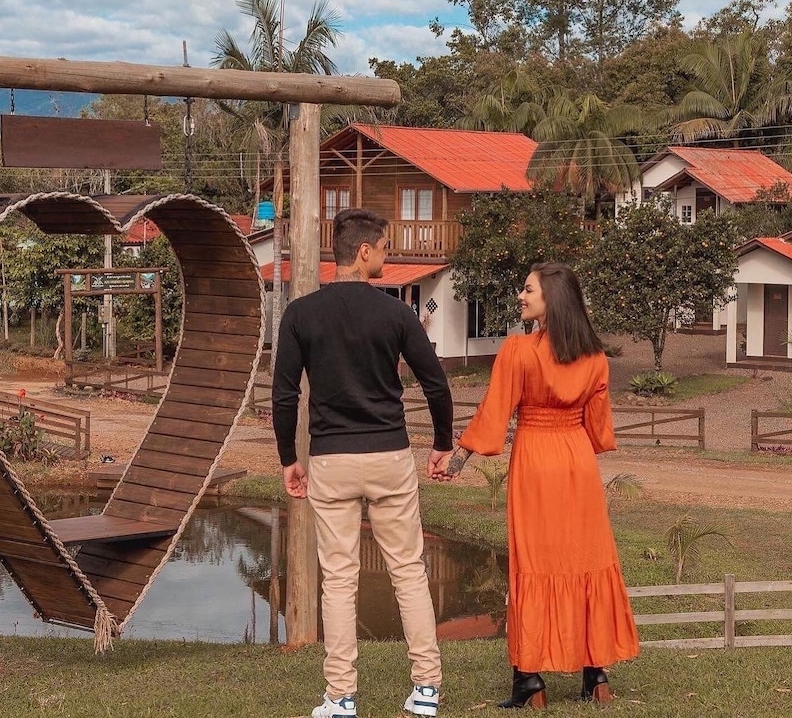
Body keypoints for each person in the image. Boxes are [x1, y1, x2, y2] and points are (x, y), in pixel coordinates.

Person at [272, 208, 454, 718]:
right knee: (409, 573)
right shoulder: (396, 314)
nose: (389, 255)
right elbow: (435, 382)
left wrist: (289, 457)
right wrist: (442, 443)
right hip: (390, 456)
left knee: (340, 579)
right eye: (385, 246)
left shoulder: (300, 315)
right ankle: (425, 690)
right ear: (364, 252)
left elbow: (285, 395)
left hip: (331, 460)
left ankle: (341, 696)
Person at [446, 262, 639, 709]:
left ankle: (530, 679)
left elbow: (495, 412)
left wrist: (458, 458)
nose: (520, 295)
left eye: (528, 289)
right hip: (578, 464)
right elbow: (598, 428)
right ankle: (596, 675)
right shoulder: (594, 358)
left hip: (535, 461)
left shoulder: (519, 351)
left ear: (552, 298)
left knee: (534, 565)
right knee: (585, 559)